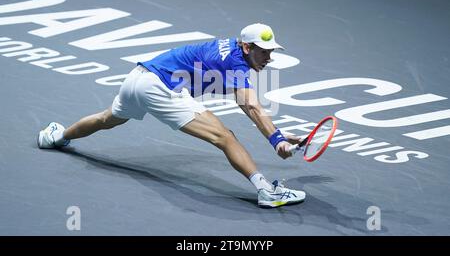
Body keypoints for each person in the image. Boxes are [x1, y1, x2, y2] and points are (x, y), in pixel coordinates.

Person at [37, 23, 306, 208]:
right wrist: (276, 140)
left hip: (138, 78)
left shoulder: (231, 52)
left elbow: (243, 101)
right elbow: (252, 107)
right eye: (263, 51)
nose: (268, 57)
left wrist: (278, 133)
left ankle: (55, 137)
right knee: (225, 137)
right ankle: (267, 192)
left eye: (271, 52)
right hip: (161, 87)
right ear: (247, 48)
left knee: (107, 119)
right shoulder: (235, 62)